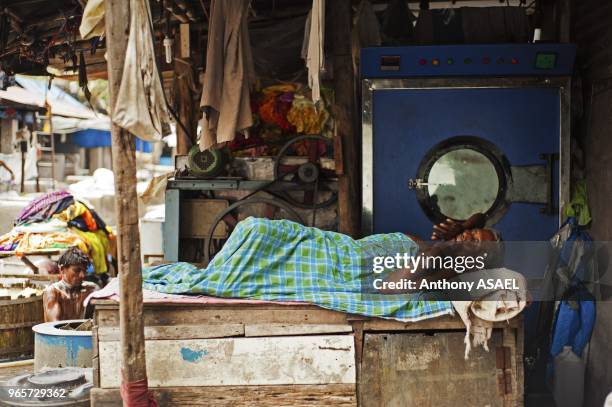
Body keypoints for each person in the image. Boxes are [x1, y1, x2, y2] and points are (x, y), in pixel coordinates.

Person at [42, 247, 97, 322]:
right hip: (58, 333)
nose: (82, 275)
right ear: (62, 270)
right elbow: (54, 325)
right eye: (77, 270)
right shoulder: (53, 292)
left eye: (84, 271)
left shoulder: (91, 289)